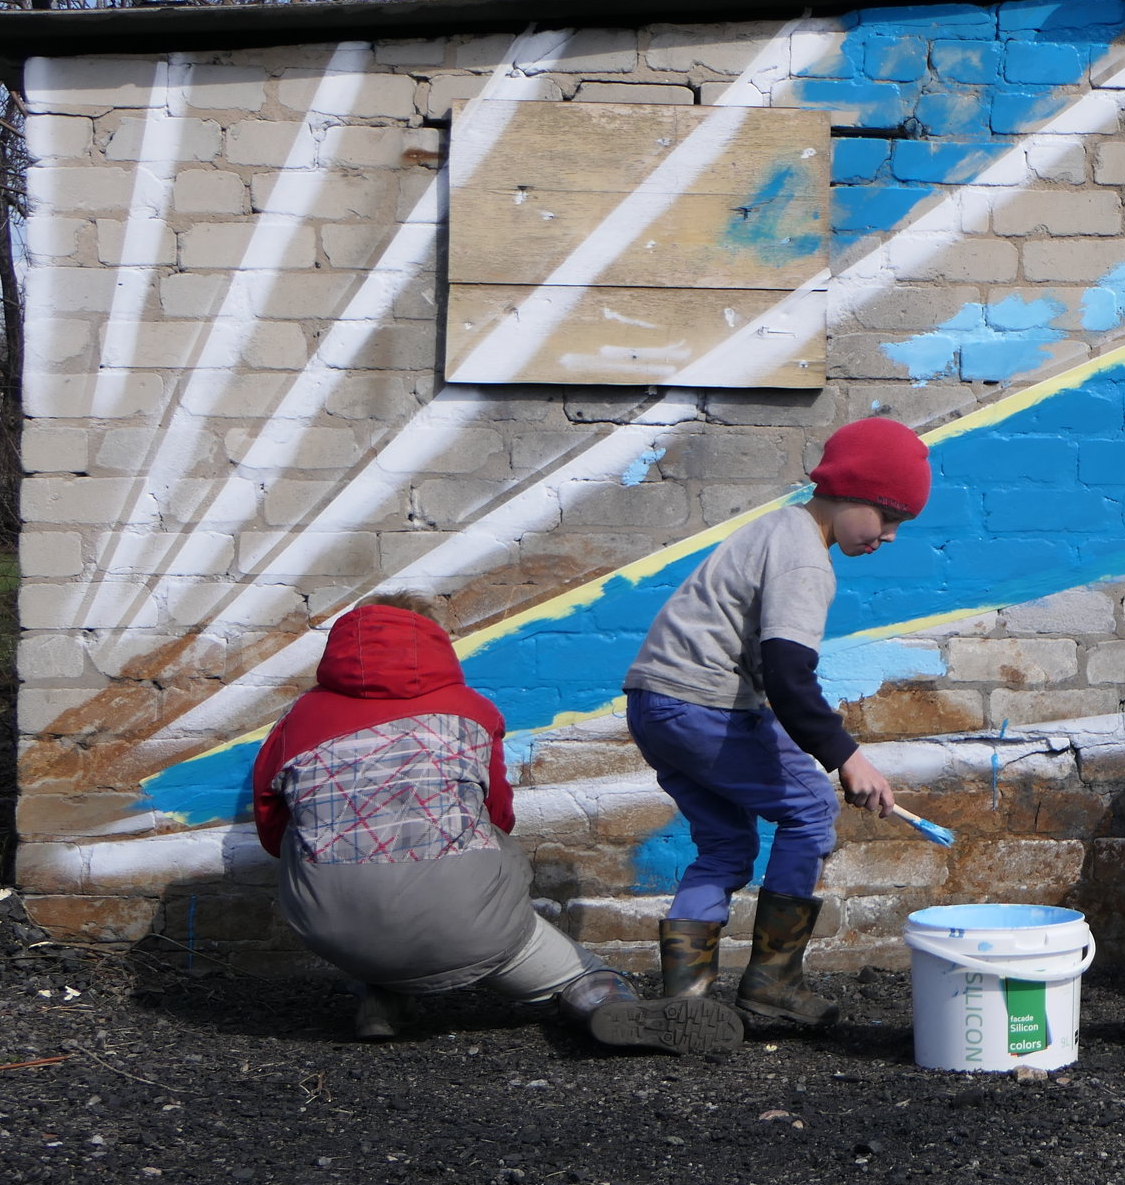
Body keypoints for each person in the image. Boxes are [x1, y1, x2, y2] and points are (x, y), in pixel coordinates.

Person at [253, 596, 742, 1053]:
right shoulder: (470, 713)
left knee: (340, 859)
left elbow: (273, 833)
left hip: (332, 931)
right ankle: (607, 1003)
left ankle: (382, 998)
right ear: (432, 644)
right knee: (564, 954)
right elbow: (499, 816)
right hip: (468, 928)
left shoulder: (296, 720)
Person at [623, 416, 926, 1030]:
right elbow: (790, 676)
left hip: (655, 704)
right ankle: (773, 984)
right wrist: (847, 757)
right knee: (811, 807)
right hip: (700, 704)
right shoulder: (805, 560)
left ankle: (684, 1001)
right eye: (888, 516)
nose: (891, 535)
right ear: (852, 494)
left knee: (728, 844)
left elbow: (764, 675)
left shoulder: (772, 530)